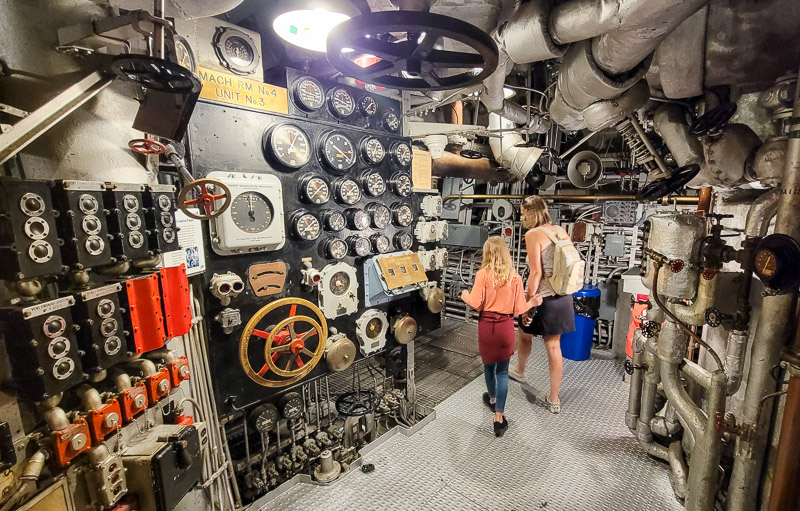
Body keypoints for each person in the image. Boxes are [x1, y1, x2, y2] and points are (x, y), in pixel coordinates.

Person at [461, 236, 535, 437]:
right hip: (505, 329)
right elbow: (520, 309)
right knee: (502, 372)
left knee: (488, 366)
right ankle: (499, 418)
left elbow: (476, 303)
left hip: (486, 328)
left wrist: (464, 294)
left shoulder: (482, 275)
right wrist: (533, 302)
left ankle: (492, 399)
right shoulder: (514, 277)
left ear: (487, 253)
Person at [511, 195, 575, 414]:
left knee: (524, 333)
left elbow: (536, 273)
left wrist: (528, 302)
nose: (521, 217)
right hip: (563, 296)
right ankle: (554, 398)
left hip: (543, 298)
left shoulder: (533, 234)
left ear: (531, 213)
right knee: (554, 346)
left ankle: (520, 370)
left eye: (522, 212)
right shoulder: (560, 231)